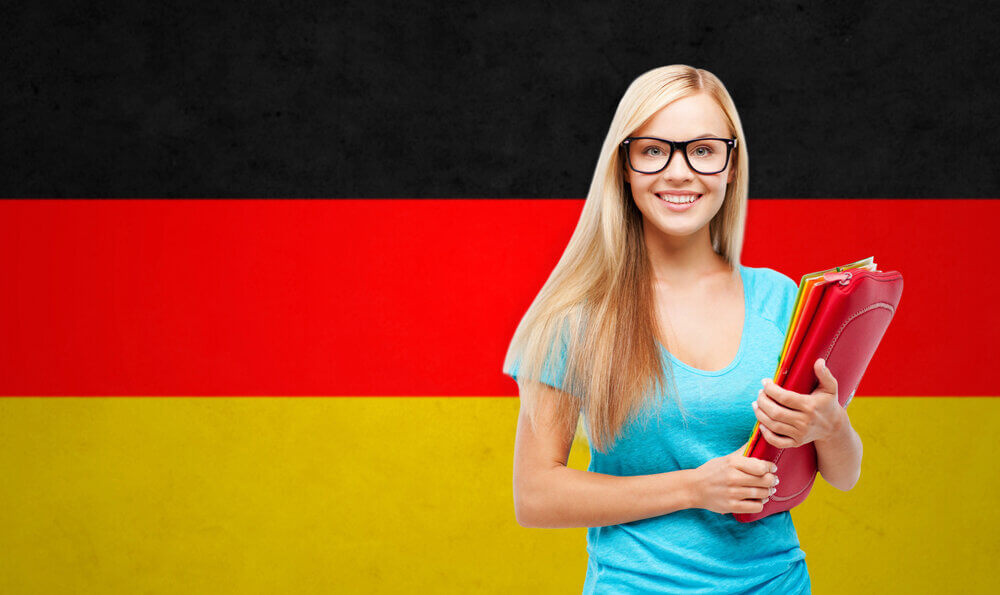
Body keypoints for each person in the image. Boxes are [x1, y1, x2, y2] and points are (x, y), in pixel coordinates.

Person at [502, 65, 863, 594]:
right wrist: (697, 488)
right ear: (623, 166)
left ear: (731, 166)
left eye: (703, 150)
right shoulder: (576, 316)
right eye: (653, 150)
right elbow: (535, 495)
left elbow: (844, 474)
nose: (678, 172)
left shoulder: (782, 299)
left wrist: (830, 425)